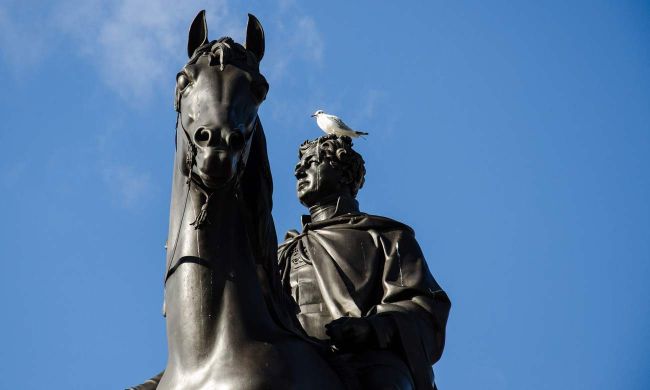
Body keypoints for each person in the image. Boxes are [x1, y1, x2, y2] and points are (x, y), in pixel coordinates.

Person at [278, 135, 451, 390]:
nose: (299, 170)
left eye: (312, 161)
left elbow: (422, 310)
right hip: (289, 359)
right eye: (300, 163)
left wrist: (373, 329)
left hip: (365, 362)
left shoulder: (387, 237)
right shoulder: (282, 251)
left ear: (345, 175)